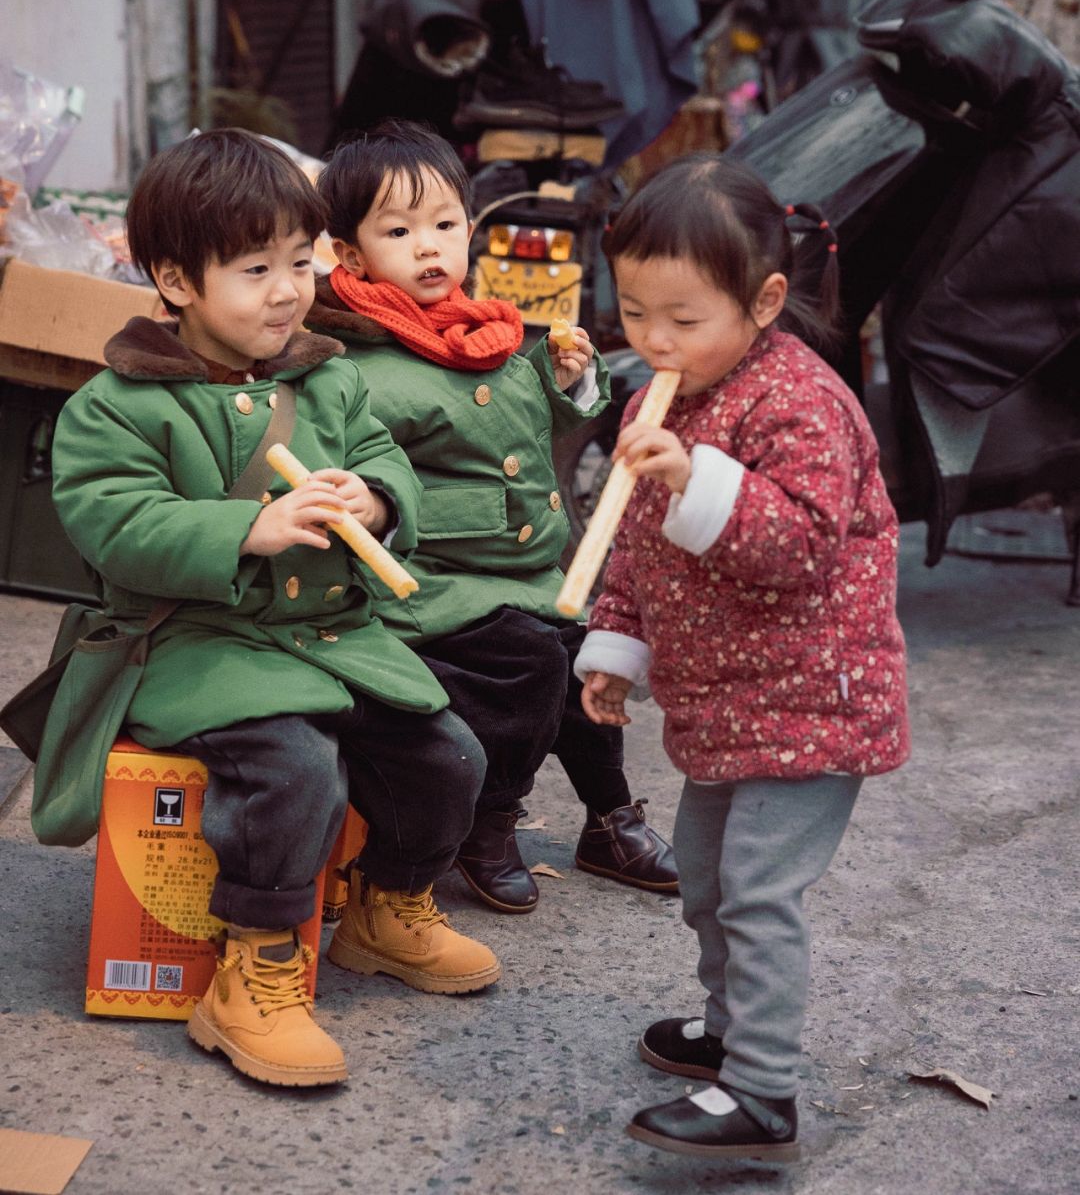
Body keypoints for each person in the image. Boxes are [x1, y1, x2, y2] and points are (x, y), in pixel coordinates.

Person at [49, 130, 501, 1091]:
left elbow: (384, 460)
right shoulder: (115, 404)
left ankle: (388, 906)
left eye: (301, 261)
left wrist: (371, 500)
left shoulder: (328, 375)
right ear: (175, 280)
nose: (290, 289)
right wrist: (246, 530)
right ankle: (253, 967)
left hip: (332, 634)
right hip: (198, 641)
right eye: (256, 269)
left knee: (448, 754)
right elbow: (113, 523)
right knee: (295, 772)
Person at [574, 153, 909, 1162]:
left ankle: (763, 1090)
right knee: (709, 879)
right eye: (634, 312)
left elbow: (800, 543)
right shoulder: (653, 402)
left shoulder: (803, 401)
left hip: (813, 699)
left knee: (759, 889)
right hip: (723, 697)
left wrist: (698, 481)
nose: (654, 339)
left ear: (764, 300)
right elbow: (627, 539)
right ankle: (725, 1030)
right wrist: (615, 649)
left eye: (683, 317)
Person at [309, 120, 678, 915]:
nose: (430, 247)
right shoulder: (358, 364)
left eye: (445, 224)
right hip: (432, 582)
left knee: (588, 648)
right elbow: (373, 474)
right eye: (398, 231)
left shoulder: (482, 330)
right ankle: (490, 819)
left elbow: (516, 425)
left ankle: (609, 815)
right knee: (532, 660)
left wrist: (566, 381)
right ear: (349, 254)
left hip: (517, 570)